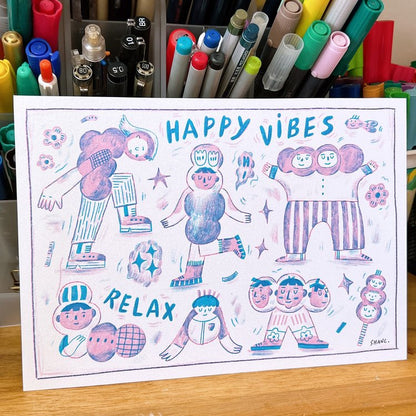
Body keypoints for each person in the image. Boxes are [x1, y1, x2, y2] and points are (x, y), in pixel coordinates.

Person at [161, 143, 251, 286]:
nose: (204, 181)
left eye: (208, 178)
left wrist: (242, 216)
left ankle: (230, 244)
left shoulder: (220, 193)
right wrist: (170, 220)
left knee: (200, 248)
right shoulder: (188, 193)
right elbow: (180, 210)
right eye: (200, 177)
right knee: (195, 250)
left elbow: (230, 209)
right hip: (193, 228)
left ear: (216, 179)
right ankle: (193, 274)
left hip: (209, 228)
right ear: (193, 177)